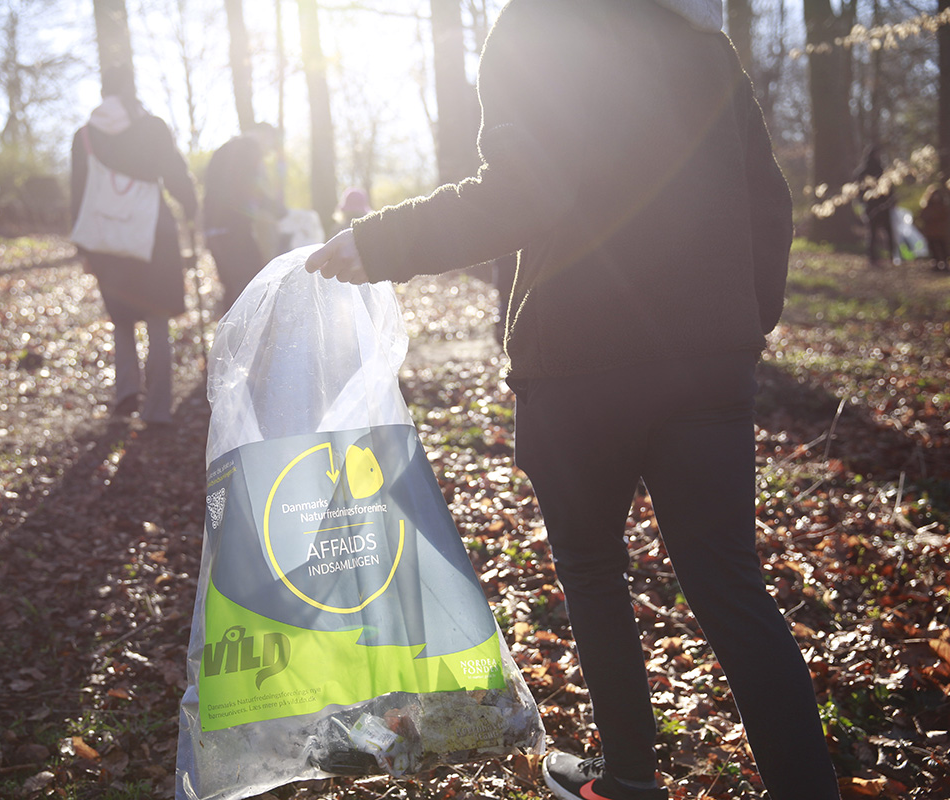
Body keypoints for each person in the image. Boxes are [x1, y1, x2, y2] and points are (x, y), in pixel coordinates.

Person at [305, 2, 840, 800]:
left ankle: (628, 779)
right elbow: (770, 202)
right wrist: (739, 324)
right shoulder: (701, 46)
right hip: (706, 371)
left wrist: (380, 240)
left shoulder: (536, 27)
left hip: (579, 367)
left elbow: (522, 192)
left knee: (593, 573)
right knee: (731, 585)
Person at [70, 67, 198, 423]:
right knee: (157, 318)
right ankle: (157, 408)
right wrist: (191, 208)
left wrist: (84, 248)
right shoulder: (152, 127)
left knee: (122, 319)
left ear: (103, 92)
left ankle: (125, 394)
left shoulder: (85, 135)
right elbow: (174, 173)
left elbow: (78, 191)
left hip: (105, 238)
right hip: (154, 234)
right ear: (132, 89)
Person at [203, 123, 286, 313]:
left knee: (231, 288)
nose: (268, 152)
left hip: (212, 230)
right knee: (250, 285)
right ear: (265, 135)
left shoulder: (222, 151)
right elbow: (254, 189)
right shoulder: (249, 148)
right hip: (235, 231)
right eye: (270, 144)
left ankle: (228, 330)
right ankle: (245, 331)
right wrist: (281, 212)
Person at [854, 144, 897, 268]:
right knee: (872, 232)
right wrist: (864, 203)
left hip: (884, 206)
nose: (879, 156)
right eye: (877, 153)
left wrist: (891, 201)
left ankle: (892, 257)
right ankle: (873, 258)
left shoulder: (882, 170)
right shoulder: (863, 172)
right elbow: (859, 190)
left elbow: (889, 187)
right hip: (871, 207)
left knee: (888, 231)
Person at [917, 180, 950, 272]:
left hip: (942, 233)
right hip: (931, 233)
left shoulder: (944, 206)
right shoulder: (927, 207)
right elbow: (922, 217)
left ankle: (944, 263)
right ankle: (936, 263)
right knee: (933, 249)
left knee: (943, 248)